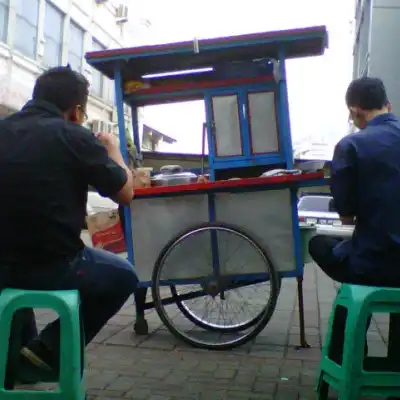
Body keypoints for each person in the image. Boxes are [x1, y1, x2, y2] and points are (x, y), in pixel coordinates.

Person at [0, 66, 139, 382]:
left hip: (3, 266)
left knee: (14, 292)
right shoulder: (75, 137)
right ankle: (49, 351)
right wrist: (113, 149)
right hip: (53, 266)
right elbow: (126, 193)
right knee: (124, 276)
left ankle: (17, 364)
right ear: (76, 111)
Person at [309, 77, 400, 368]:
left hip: (375, 263)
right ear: (388, 104)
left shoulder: (352, 146)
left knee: (322, 245)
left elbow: (347, 216)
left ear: (356, 111)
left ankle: (345, 355)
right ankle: (394, 366)